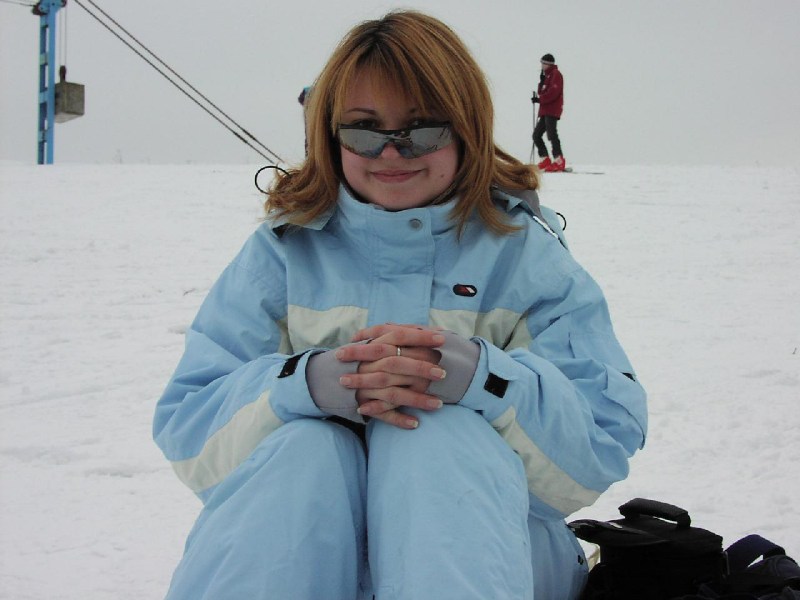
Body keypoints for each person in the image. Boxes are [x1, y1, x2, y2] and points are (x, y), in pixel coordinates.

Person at [153, 11, 646, 600]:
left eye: (421, 129)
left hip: (499, 554)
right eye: (364, 130)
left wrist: (483, 381)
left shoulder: (523, 258)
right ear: (330, 135)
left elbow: (597, 451)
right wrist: (305, 386)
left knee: (438, 437)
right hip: (299, 550)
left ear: (465, 127)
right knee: (303, 450)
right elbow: (192, 435)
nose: (391, 152)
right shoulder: (282, 254)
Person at [532, 53, 566, 172]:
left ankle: (559, 160)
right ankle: (545, 159)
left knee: (551, 134)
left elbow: (553, 92)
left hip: (552, 110)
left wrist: (539, 100)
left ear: (548, 64)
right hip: (545, 110)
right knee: (536, 135)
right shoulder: (547, 76)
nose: (541, 65)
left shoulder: (556, 74)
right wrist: (541, 82)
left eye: (543, 63)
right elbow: (542, 92)